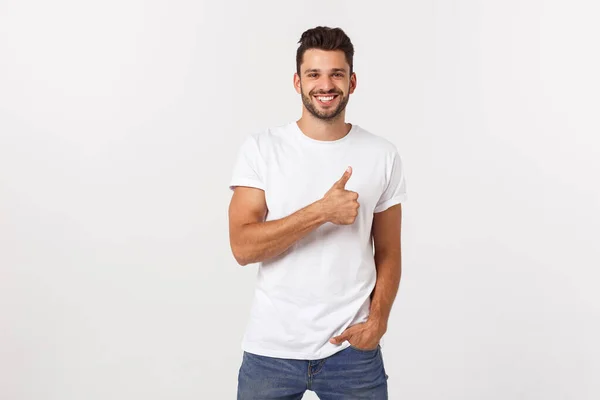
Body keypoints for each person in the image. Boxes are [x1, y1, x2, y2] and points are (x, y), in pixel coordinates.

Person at [228, 26, 407, 399]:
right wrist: (320, 211)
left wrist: (378, 321)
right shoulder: (262, 149)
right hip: (271, 351)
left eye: (336, 74)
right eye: (314, 74)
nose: (325, 85)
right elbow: (243, 248)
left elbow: (389, 250)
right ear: (297, 82)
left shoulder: (382, 154)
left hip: (351, 352)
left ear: (352, 82)